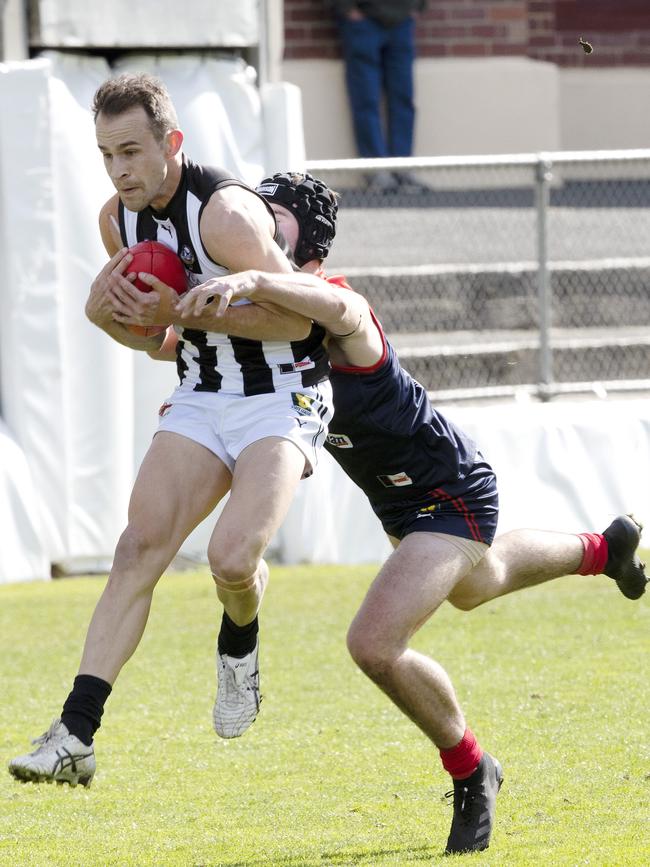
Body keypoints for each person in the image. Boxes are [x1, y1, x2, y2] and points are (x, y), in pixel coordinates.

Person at [166, 171, 648, 854]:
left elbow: (324, 315)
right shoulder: (261, 329)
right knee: (482, 582)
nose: (256, 226)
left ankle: (472, 765)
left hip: (450, 491)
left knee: (373, 643)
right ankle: (605, 548)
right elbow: (174, 344)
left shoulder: (336, 302)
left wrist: (246, 282)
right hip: (399, 500)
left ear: (311, 245)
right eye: (252, 212)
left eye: (273, 216)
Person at [7, 78, 333, 788]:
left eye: (131, 151)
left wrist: (194, 311)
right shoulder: (116, 222)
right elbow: (156, 336)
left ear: (171, 144)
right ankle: (76, 733)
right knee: (137, 547)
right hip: (202, 393)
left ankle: (239, 638)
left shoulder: (225, 218)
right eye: (106, 155)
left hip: (282, 394)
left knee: (230, 557)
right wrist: (108, 318)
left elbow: (304, 321)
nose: (119, 169)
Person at [331, 0, 426, 191]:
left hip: (401, 18)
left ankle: (402, 168)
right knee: (366, 100)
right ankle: (376, 171)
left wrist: (417, 6)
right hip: (363, 19)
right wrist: (347, 9)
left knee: (403, 98)